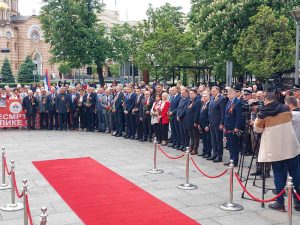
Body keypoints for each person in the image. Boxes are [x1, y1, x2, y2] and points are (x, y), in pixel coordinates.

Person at [254, 92, 300, 211]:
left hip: (275, 149)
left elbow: (257, 129)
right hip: (291, 147)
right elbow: (290, 119)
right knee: (295, 175)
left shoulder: (262, 113)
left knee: (279, 175)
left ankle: (280, 203)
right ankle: (298, 202)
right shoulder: (285, 109)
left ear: (265, 100)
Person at [224, 88, 243, 166]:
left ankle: (234, 161)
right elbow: (226, 114)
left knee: (234, 145)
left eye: (229, 93)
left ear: (234, 94)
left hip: (233, 127)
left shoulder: (237, 103)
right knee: (230, 145)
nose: (228, 95)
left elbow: (239, 116)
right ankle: (231, 159)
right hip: (228, 126)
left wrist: (237, 127)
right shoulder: (229, 101)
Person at [208, 86, 226, 162]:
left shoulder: (221, 99)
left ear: (218, 91)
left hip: (218, 122)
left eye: (213, 91)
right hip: (212, 122)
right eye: (211, 91)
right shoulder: (212, 98)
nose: (212, 93)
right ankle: (214, 154)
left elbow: (222, 113)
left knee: (218, 140)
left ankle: (219, 155)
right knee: (213, 139)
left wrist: (222, 123)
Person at [183, 89, 201, 155]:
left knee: (195, 136)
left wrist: (196, 122)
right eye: (190, 93)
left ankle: (195, 148)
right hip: (189, 121)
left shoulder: (197, 101)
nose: (190, 95)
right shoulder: (190, 101)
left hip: (193, 121)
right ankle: (192, 146)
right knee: (191, 135)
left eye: (192, 93)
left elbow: (197, 112)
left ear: (196, 94)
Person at [199, 91, 212, 158]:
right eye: (203, 96)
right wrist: (199, 124)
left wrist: (207, 125)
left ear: (209, 97)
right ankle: (204, 151)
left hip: (207, 125)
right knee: (204, 139)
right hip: (202, 124)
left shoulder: (209, 104)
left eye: (205, 96)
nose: (204, 97)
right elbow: (200, 114)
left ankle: (208, 152)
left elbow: (209, 116)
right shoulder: (203, 104)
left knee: (208, 139)